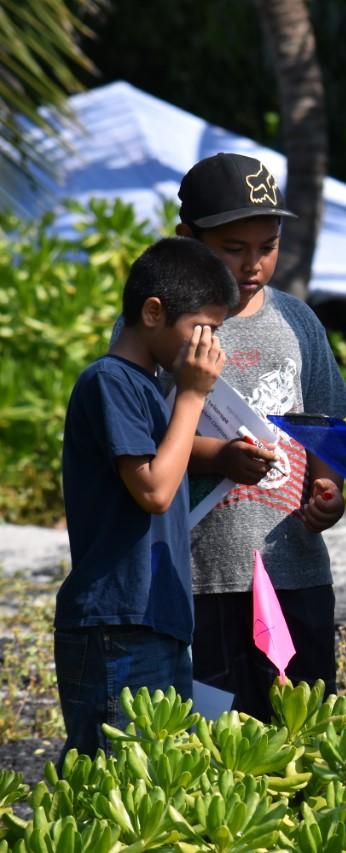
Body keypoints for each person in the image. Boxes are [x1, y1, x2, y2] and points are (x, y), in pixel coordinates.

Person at [173, 152, 346, 721]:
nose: (253, 265)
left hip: (294, 570)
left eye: (268, 246)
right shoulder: (163, 325)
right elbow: (144, 446)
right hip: (204, 579)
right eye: (233, 248)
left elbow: (327, 427)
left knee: (304, 729)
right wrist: (219, 457)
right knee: (218, 740)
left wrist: (328, 493)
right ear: (188, 239)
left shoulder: (297, 321)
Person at [56, 238, 236, 760]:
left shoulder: (149, 388)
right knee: (116, 787)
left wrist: (224, 455)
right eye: (203, 329)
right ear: (153, 312)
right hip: (117, 623)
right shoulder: (110, 381)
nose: (210, 348)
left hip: (153, 617)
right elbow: (155, 489)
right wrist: (193, 394)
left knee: (155, 781)